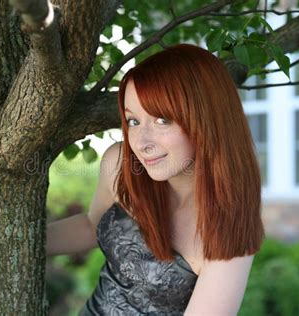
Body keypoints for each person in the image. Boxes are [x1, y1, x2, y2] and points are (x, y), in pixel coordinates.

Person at [46, 43, 265, 315]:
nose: (141, 142)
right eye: (133, 121)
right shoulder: (121, 164)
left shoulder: (226, 225)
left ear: (206, 120)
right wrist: (25, 240)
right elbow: (93, 226)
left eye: (162, 120)